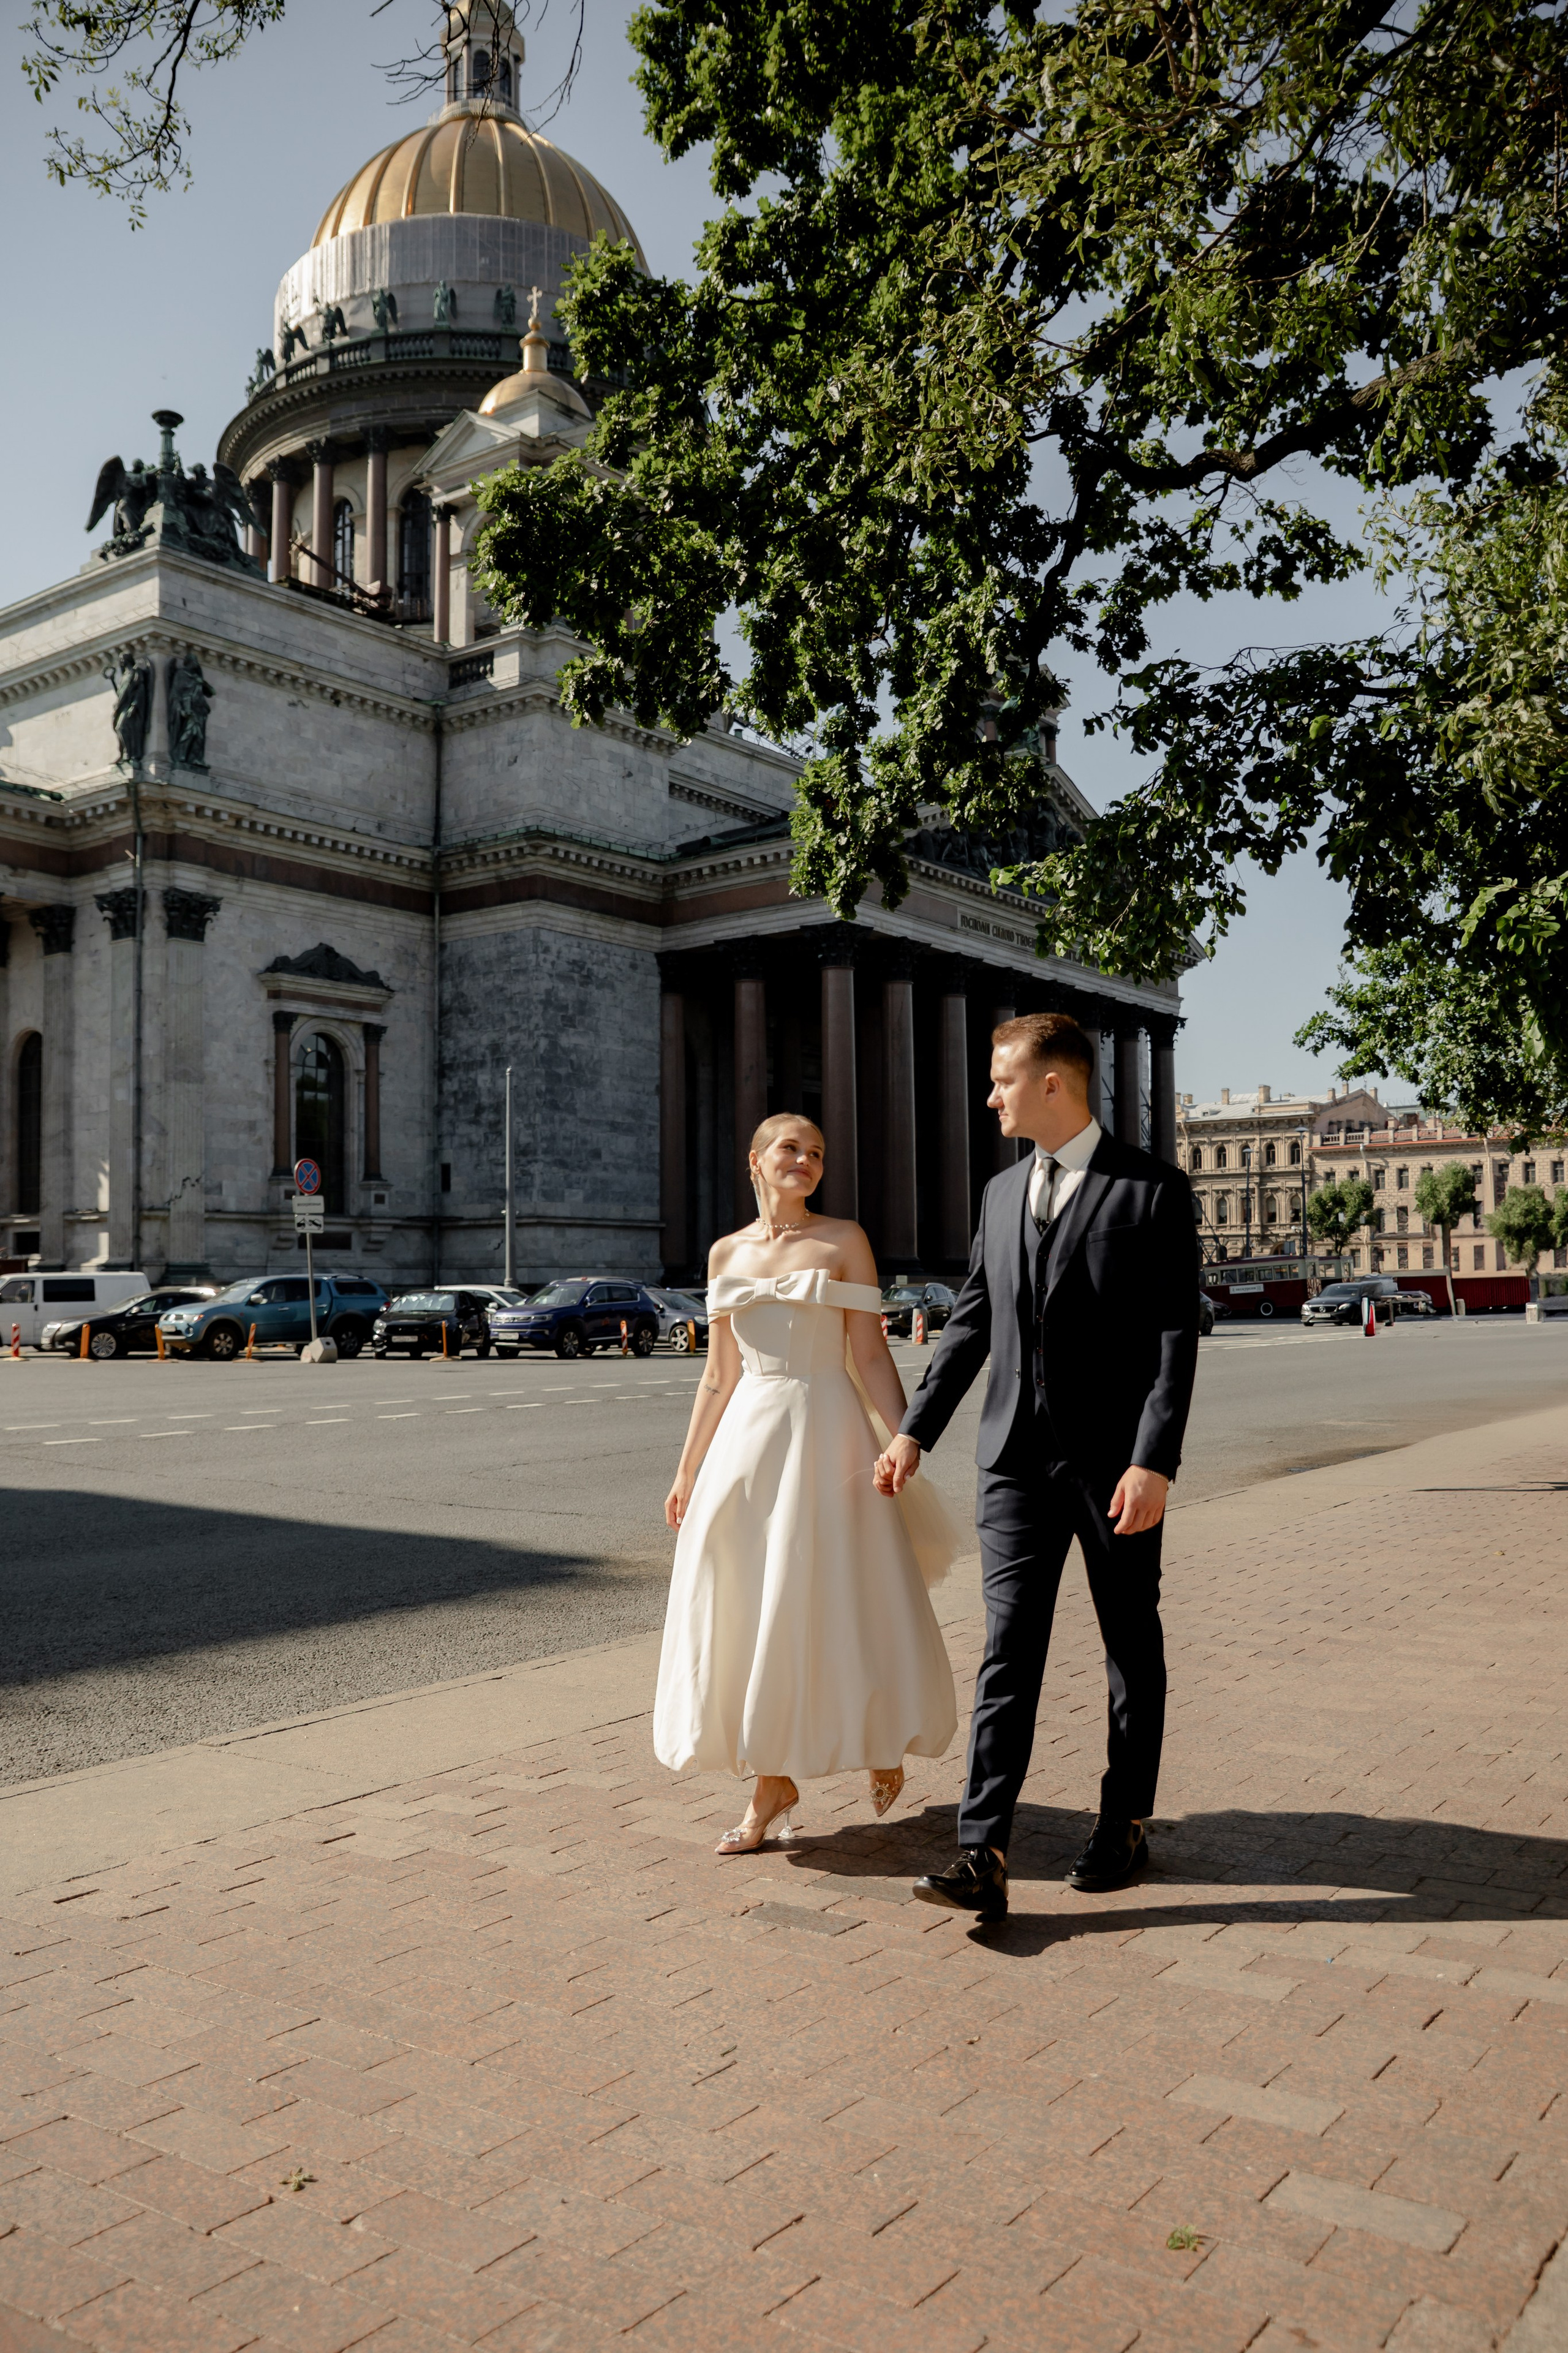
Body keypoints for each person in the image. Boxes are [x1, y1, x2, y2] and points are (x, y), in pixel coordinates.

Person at [876, 1013, 1199, 1921]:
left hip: (1115, 1471)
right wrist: (914, 1431)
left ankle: (1125, 1819)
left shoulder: (1153, 1192)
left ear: (1053, 1082)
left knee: (1130, 1644)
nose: (991, 1094)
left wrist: (1154, 1459)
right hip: (1013, 1463)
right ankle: (981, 1850)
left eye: (1002, 1077)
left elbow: (1177, 1340)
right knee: (1007, 1650)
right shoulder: (1000, 1192)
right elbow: (975, 1322)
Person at [655, 1113, 960, 1853]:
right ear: (755, 1160)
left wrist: (904, 1435)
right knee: (751, 1603)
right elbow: (717, 1375)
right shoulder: (725, 1251)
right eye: (791, 1148)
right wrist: (686, 1469)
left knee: (843, 1594)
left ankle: (876, 1735)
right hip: (745, 1447)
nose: (806, 1160)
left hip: (827, 1433)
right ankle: (773, 1782)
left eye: (817, 1152)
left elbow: (872, 1354)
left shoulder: (844, 1240)